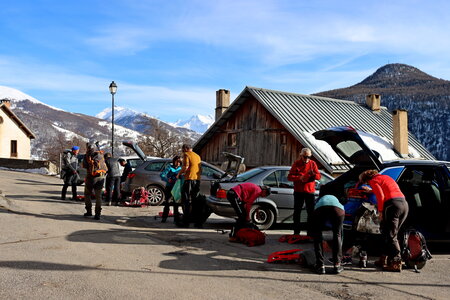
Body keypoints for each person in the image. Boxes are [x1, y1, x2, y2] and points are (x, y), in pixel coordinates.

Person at [359, 169, 409, 272]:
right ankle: (384, 259)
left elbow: (381, 196)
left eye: (366, 183)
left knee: (390, 234)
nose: (368, 184)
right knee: (390, 233)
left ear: (367, 179)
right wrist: (371, 190)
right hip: (404, 204)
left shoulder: (373, 181)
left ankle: (396, 262)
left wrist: (381, 211)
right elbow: (385, 189)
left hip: (392, 205)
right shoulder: (386, 177)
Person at [287, 148, 321, 236]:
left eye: (309, 157)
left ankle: (309, 232)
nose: (307, 159)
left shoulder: (313, 163)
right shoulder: (296, 164)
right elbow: (289, 177)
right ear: (301, 155)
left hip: (309, 192)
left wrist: (313, 174)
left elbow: (319, 176)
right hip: (299, 191)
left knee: (310, 212)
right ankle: (296, 232)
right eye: (305, 157)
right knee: (297, 212)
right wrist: (300, 177)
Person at [312, 194, 345, 275]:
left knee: (317, 235)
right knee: (337, 235)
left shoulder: (319, 200)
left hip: (320, 209)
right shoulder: (337, 200)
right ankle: (337, 265)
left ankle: (320, 266)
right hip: (338, 210)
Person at [177, 144, 202, 228]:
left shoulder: (186, 154)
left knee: (186, 200)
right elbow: (200, 168)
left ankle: (186, 222)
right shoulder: (197, 156)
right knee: (195, 201)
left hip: (189, 179)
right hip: (197, 179)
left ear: (185, 149)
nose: (182, 151)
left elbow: (185, 166)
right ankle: (197, 222)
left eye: (182, 149)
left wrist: (179, 174)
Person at [83, 143, 108, 220]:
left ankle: (89, 211)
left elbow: (84, 166)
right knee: (98, 196)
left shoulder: (87, 155)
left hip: (91, 177)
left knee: (87, 194)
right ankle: (97, 214)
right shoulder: (100, 155)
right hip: (101, 177)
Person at [160, 155, 182, 223]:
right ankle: (164, 218)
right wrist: (167, 179)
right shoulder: (169, 167)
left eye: (179, 162)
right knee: (167, 202)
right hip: (169, 187)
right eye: (177, 161)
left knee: (176, 203)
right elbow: (162, 175)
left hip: (177, 188)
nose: (178, 163)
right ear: (174, 161)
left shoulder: (181, 168)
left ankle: (176, 219)